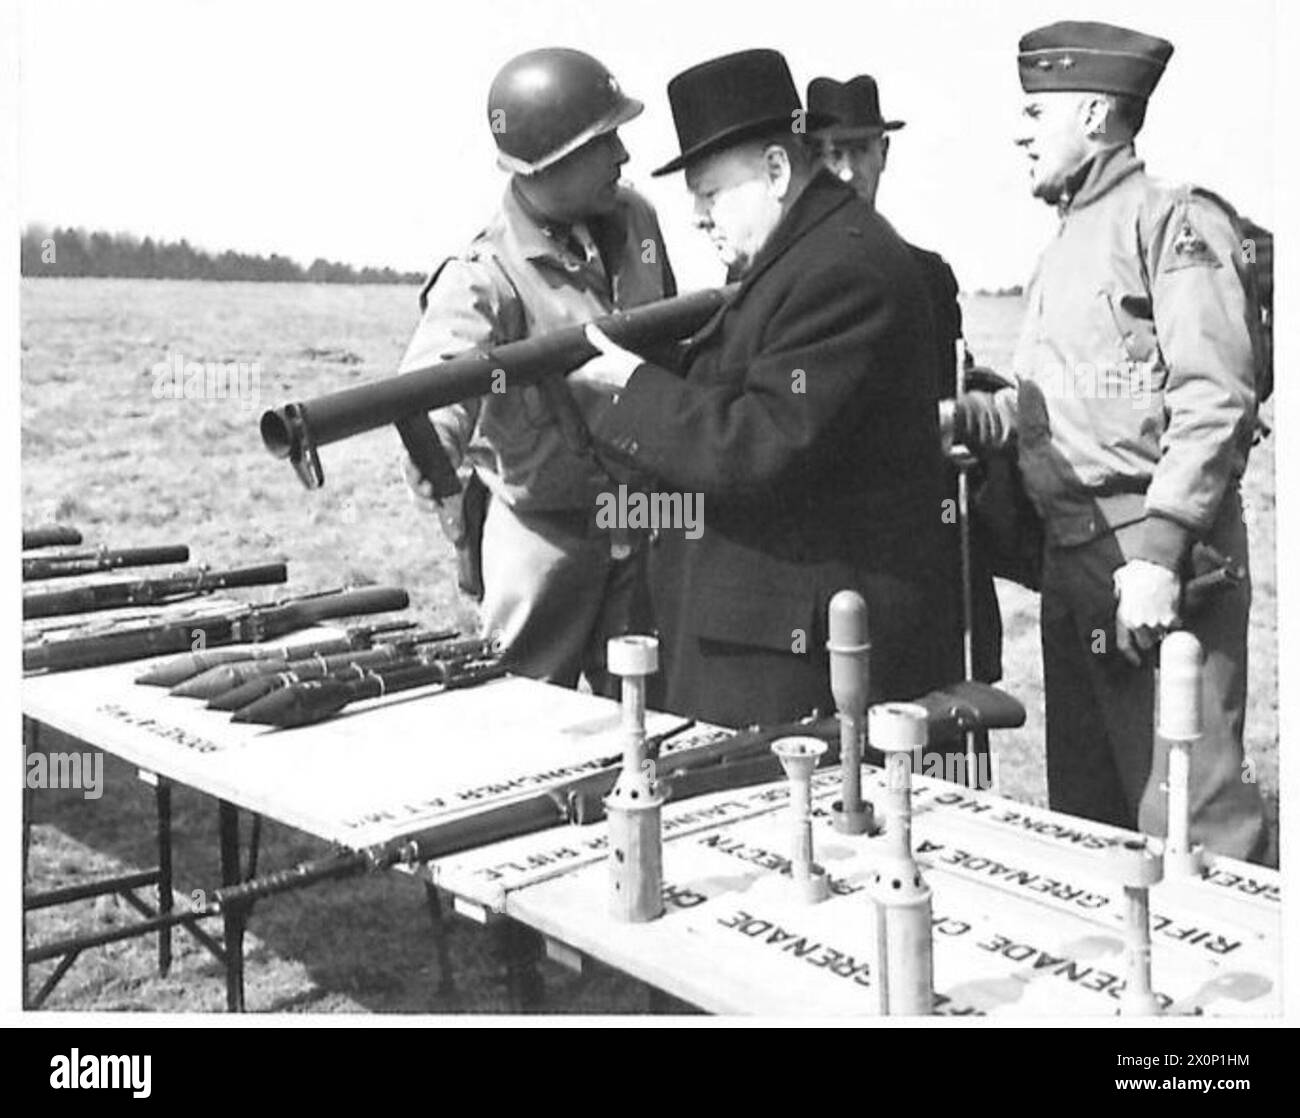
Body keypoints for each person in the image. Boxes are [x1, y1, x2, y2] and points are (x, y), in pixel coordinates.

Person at [570, 49, 955, 728]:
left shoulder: (844, 269)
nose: (696, 215)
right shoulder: (804, 258)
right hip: (763, 643)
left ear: (777, 171)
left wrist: (631, 389)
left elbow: (760, 442)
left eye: (710, 191)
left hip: (790, 660)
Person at [956, 21, 1266, 859]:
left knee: (1192, 823)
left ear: (1094, 113)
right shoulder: (1068, 240)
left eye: (1035, 112)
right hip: (1078, 562)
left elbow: (1214, 395)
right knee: (1089, 822)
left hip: (1148, 557)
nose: (1021, 132)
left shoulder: (1171, 220)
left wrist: (1160, 557)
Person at [398, 48, 676, 694]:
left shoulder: (637, 221)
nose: (623, 156)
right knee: (518, 712)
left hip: (647, 521)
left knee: (652, 718)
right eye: (605, 140)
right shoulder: (483, 276)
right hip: (544, 538)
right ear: (549, 159)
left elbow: (671, 338)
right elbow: (436, 380)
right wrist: (436, 449)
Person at [808, 74, 1002, 687]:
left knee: (931, 731)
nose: (845, 171)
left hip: (920, 545)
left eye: (860, 150)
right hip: (822, 554)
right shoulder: (771, 278)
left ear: (883, 155)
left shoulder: (928, 276)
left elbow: (944, 395)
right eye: (829, 153)